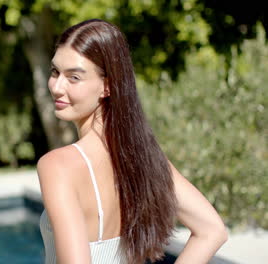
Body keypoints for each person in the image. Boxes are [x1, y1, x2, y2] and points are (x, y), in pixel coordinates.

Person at [37, 19, 228, 264]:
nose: (56, 87)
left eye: (74, 77)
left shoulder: (57, 166)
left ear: (107, 86)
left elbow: (213, 231)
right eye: (55, 72)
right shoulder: (142, 156)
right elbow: (211, 230)